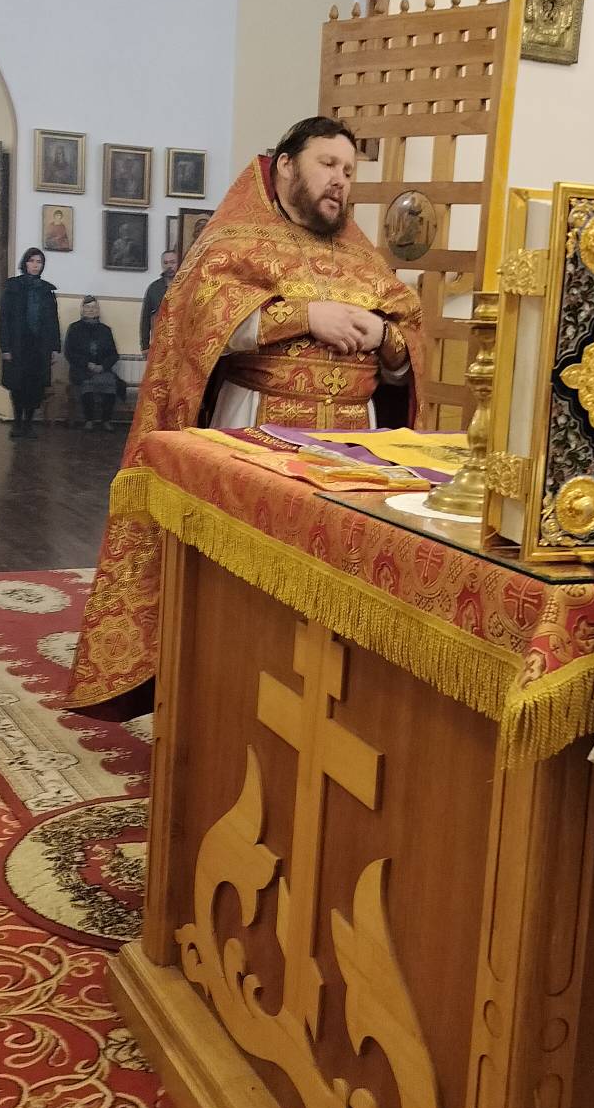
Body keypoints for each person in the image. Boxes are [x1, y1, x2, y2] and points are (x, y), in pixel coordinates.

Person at [68, 116, 422, 710]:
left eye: (348, 170)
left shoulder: (365, 258)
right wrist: (304, 316)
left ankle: (320, 710)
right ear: (285, 165)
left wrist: (387, 338)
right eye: (327, 164)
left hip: (354, 445)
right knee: (245, 582)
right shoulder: (233, 241)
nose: (340, 180)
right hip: (256, 428)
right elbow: (197, 321)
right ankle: (227, 700)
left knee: (333, 584)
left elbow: (408, 347)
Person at [0, 246, 61, 438]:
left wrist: (54, 347)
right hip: (18, 344)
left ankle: (28, 423)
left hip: (39, 345)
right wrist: (5, 347)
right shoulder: (13, 287)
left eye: (39, 262)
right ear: (25, 263)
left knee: (36, 386)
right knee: (18, 384)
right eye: (32, 261)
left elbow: (53, 321)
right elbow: (4, 319)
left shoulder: (47, 290)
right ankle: (17, 422)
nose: (35, 265)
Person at [64, 296, 124, 430]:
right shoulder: (74, 328)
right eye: (88, 307)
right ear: (82, 310)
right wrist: (87, 364)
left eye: (94, 307)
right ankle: (89, 420)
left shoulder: (105, 330)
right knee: (87, 384)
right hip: (82, 369)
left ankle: (106, 420)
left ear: (98, 310)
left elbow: (113, 354)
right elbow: (69, 353)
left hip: (102, 369)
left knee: (110, 383)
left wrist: (103, 366)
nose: (91, 310)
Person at [140, 248, 179, 350]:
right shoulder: (154, 288)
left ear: (178, 263)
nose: (169, 266)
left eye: (172, 262)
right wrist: (145, 345)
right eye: (165, 263)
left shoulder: (186, 286)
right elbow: (145, 318)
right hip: (159, 344)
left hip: (181, 344)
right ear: (162, 265)